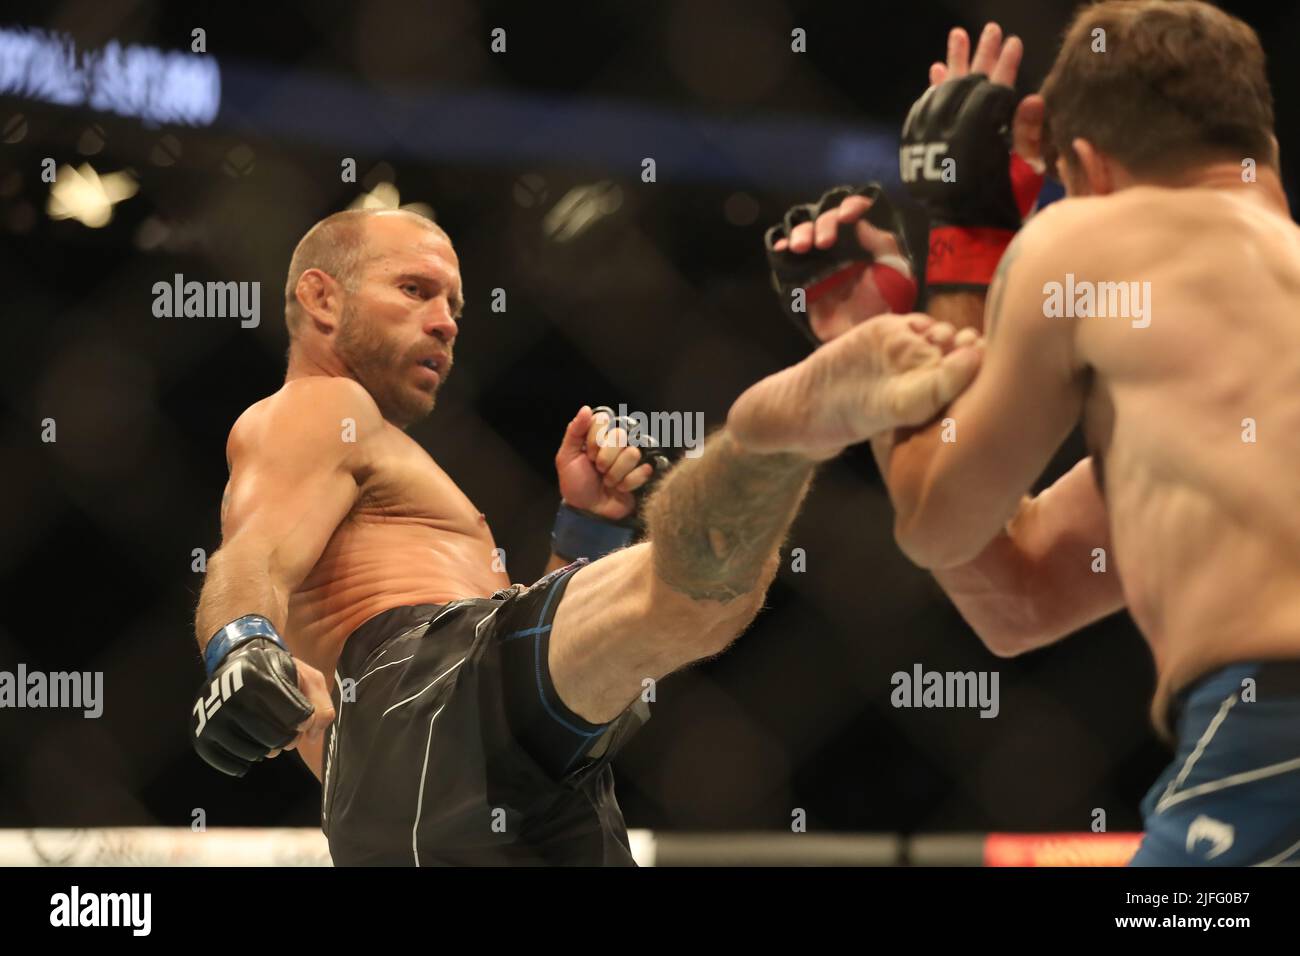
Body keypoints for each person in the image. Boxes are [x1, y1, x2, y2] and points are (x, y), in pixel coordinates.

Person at [189, 207, 979, 864]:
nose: (444, 323)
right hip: (429, 694)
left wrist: (583, 532)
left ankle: (772, 450)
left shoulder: (375, 460)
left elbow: (441, 701)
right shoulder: (315, 411)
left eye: (456, 307)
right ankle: (776, 435)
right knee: (686, 595)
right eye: (415, 290)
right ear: (321, 299)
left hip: (451, 775)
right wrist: (239, 644)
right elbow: (250, 555)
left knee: (666, 605)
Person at [736, 3, 1300, 865]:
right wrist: (868, 339)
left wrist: (968, 232)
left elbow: (938, 517)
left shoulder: (1089, 237)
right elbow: (1021, 596)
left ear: (1080, 161)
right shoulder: (1238, 381)